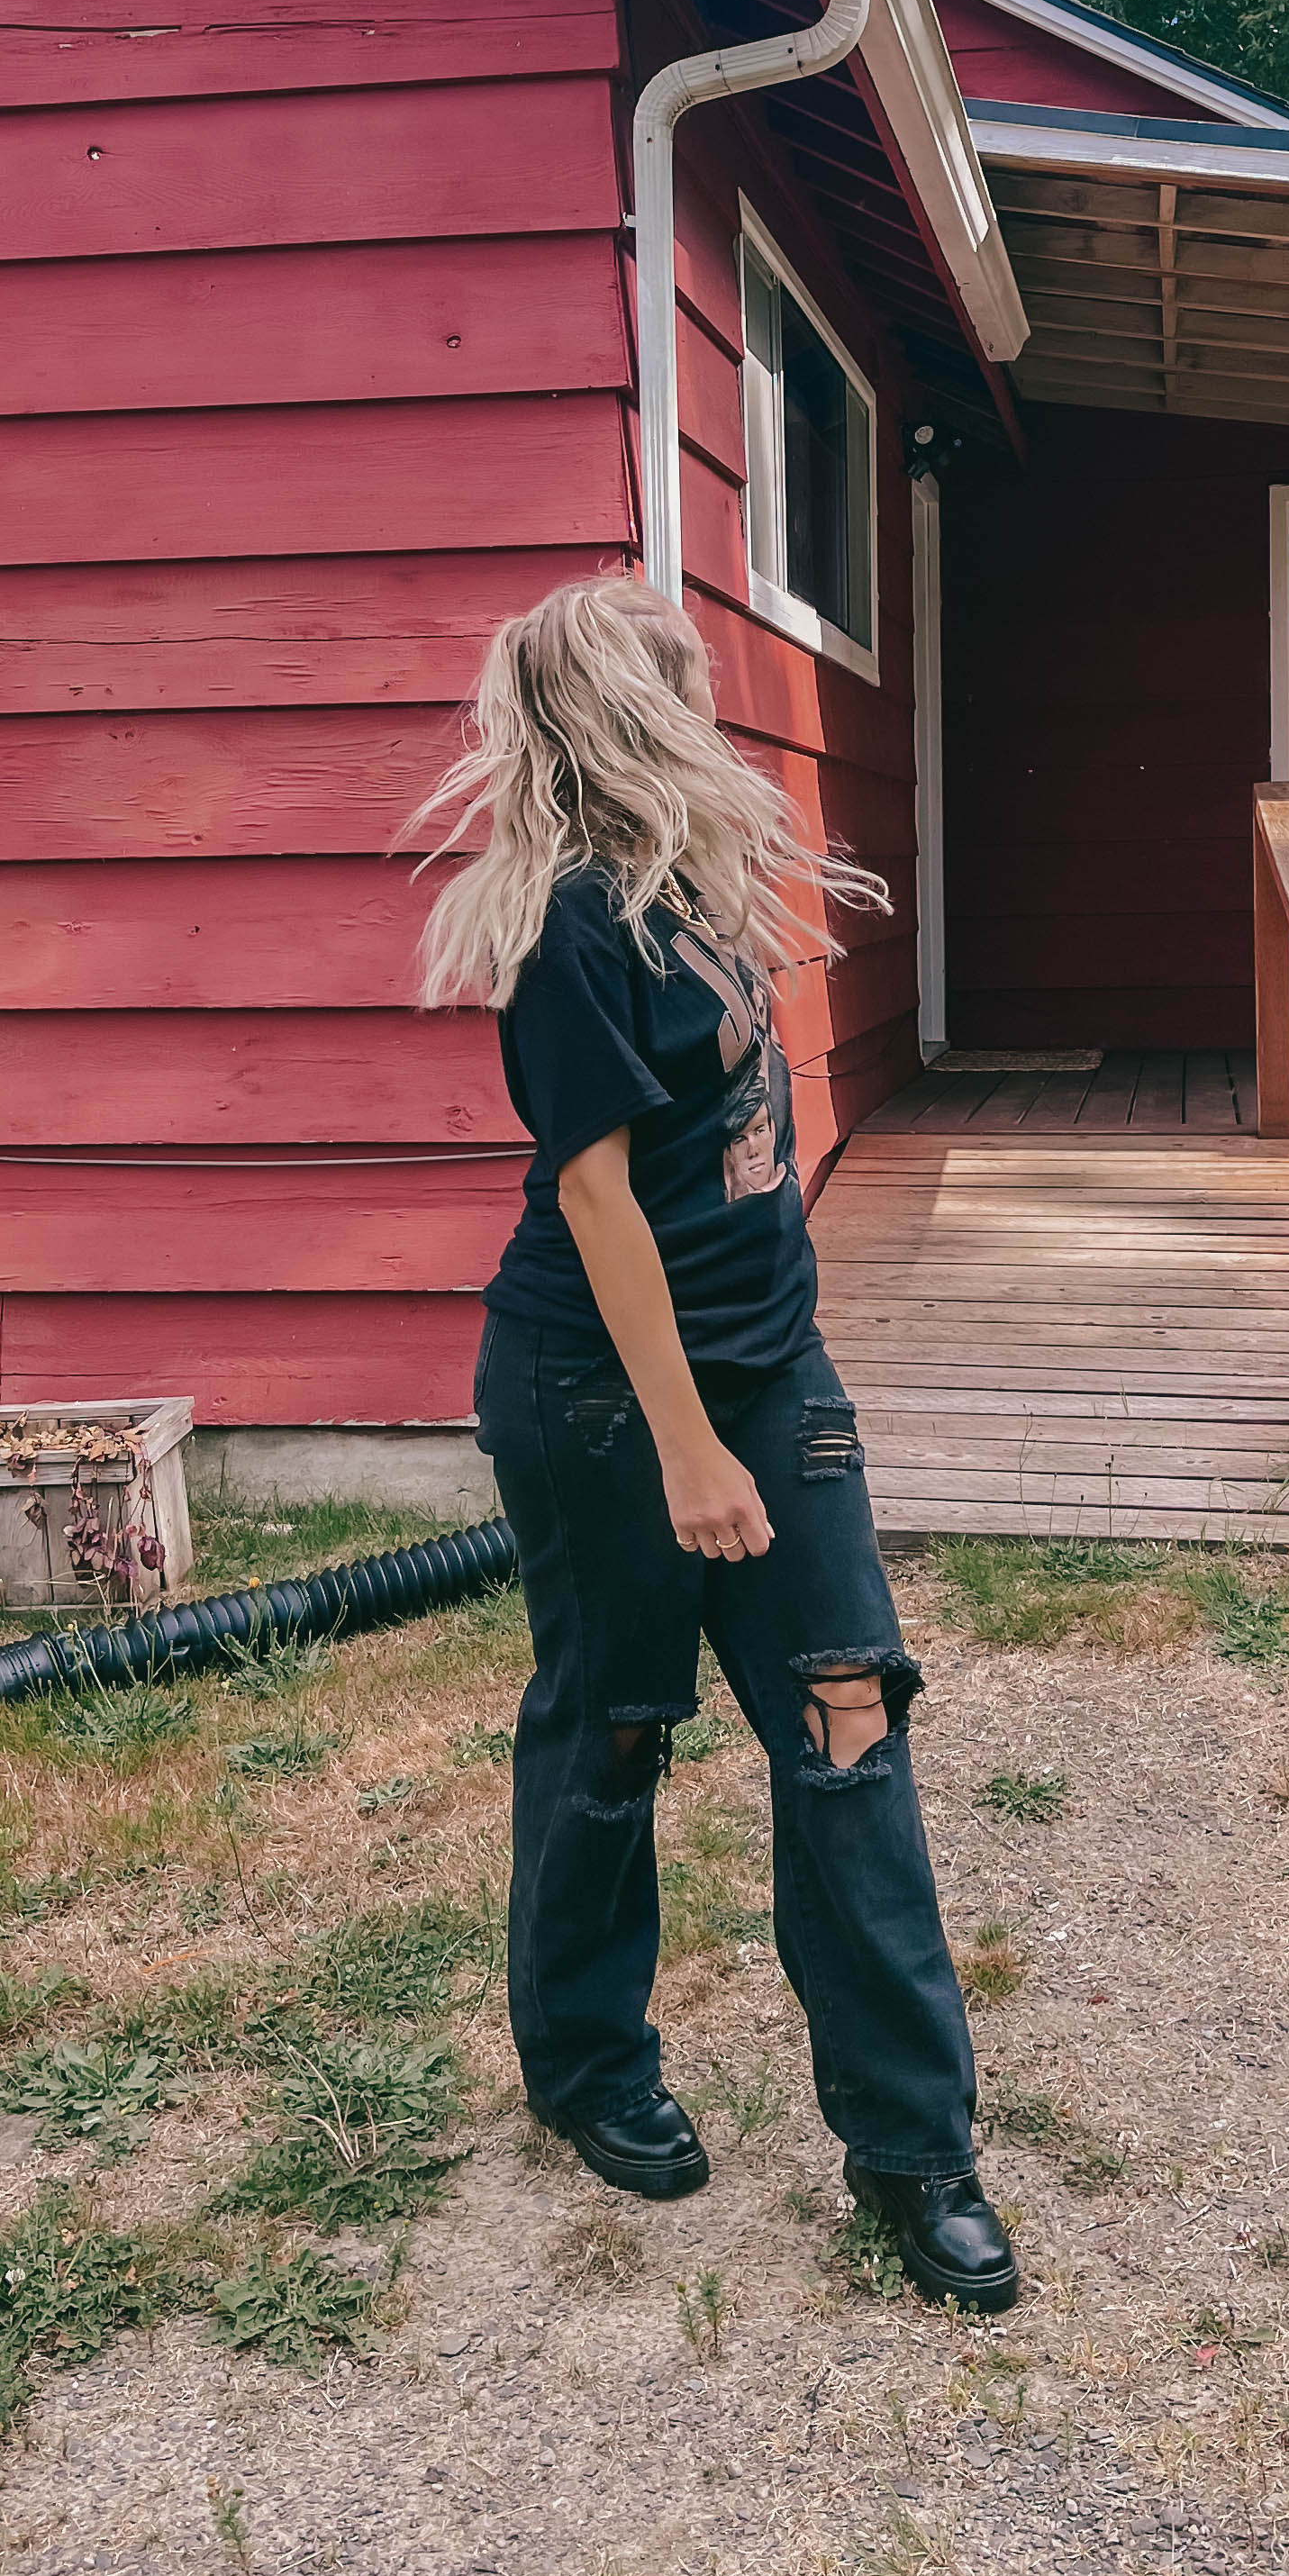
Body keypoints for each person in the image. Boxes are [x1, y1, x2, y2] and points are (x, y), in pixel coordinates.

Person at [411, 573, 1015, 2310]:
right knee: (614, 1725)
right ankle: (586, 2064)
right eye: (675, 683)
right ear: (618, 715)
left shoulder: (691, 888)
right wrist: (688, 1452)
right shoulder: (570, 929)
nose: (707, 707)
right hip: (604, 1397)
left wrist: (774, 1362)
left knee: (847, 1717)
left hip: (771, 1376)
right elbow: (596, 1200)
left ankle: (914, 2148)